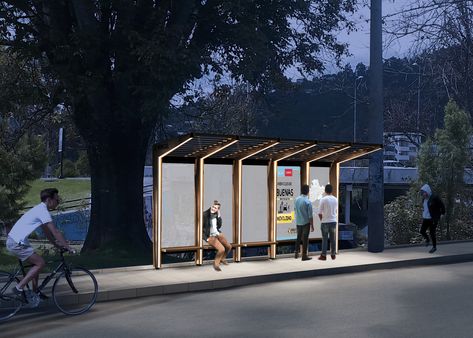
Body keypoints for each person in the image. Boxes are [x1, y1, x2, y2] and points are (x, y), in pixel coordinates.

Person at [6, 188, 72, 300]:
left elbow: (48, 233)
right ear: (49, 200)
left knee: (36, 262)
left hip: (16, 241)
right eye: (57, 199)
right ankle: (19, 287)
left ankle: (35, 291)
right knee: (40, 263)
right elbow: (55, 231)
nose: (58, 202)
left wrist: (57, 246)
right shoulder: (43, 211)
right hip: (17, 243)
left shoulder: (39, 210)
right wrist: (68, 247)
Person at [203, 200, 232, 271]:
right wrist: (206, 238)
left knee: (229, 246)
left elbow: (219, 226)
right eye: (213, 206)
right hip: (210, 236)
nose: (213, 208)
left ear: (218, 210)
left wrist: (219, 216)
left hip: (217, 233)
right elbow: (200, 229)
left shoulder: (216, 215)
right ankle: (216, 264)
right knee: (222, 249)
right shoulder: (204, 215)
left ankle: (222, 258)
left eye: (215, 208)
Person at [420, 184, 445, 253]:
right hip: (426, 218)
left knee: (432, 233)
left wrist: (442, 213)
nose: (423, 194)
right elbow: (425, 208)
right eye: (422, 193)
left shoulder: (434, 197)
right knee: (422, 231)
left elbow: (442, 205)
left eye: (424, 193)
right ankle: (427, 240)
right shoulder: (424, 199)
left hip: (433, 218)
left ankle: (434, 247)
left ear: (427, 191)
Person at [318, 184, 338, 261]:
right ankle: (333, 254)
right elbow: (335, 210)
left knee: (325, 239)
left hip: (325, 222)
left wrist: (322, 220)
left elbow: (319, 213)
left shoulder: (323, 199)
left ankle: (323, 255)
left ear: (325, 191)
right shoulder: (335, 199)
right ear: (331, 190)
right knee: (333, 239)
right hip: (333, 221)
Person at [294, 184, 314, 261]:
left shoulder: (296, 199)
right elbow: (310, 216)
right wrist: (312, 225)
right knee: (305, 239)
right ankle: (304, 256)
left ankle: (296, 253)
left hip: (298, 222)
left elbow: (295, 209)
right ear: (308, 191)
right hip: (306, 223)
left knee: (298, 237)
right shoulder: (308, 202)